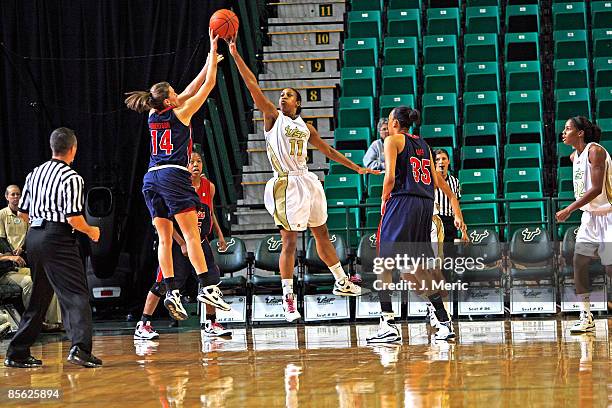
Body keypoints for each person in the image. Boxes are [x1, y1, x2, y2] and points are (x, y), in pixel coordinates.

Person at [227, 34, 378, 322]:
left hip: (307, 181)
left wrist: (357, 168)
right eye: (281, 94)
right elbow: (252, 85)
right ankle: (288, 299)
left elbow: (329, 151)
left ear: (298, 103)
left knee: (321, 233)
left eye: (288, 95)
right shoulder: (272, 117)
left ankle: (341, 280)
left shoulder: (305, 126)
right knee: (290, 242)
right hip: (285, 183)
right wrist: (235, 53)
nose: (282, 97)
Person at [125, 29, 229, 321]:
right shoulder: (180, 114)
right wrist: (211, 49)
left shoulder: (153, 113)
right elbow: (206, 86)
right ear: (169, 101)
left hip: (150, 179)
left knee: (165, 237)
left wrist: (211, 61)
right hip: (173, 175)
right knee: (192, 235)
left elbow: (189, 88)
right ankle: (207, 286)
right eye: (174, 92)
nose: (177, 94)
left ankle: (171, 290)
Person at [4, 127, 102, 368]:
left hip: (35, 237)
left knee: (40, 296)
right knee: (76, 294)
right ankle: (80, 348)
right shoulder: (72, 177)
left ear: (52, 147)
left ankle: (17, 352)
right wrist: (92, 231)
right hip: (57, 238)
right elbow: (73, 218)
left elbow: (23, 212)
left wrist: (40, 227)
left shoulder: (34, 173)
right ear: (73, 149)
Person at [367, 107, 465, 344]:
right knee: (413, 269)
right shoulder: (423, 145)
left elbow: (389, 177)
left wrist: (383, 200)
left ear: (394, 122)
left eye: (389, 120)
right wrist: (451, 196)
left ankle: (387, 322)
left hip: (403, 202)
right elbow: (434, 177)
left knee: (383, 261)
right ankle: (443, 321)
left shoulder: (392, 141)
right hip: (425, 204)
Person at [134, 152, 231, 339]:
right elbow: (166, 222)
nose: (196, 165)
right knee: (162, 284)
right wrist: (182, 243)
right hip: (179, 243)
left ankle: (211, 322)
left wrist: (219, 234)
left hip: (199, 240)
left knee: (209, 282)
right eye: (191, 162)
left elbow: (210, 213)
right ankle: (143, 324)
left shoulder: (208, 187)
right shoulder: (174, 186)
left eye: (199, 161)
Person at [556, 116, 611, 333]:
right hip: (590, 216)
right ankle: (586, 316)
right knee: (579, 262)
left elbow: (597, 189)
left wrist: (569, 209)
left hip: (609, 214)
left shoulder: (595, 151)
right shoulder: (575, 156)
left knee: (609, 268)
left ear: (580, 133)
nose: (563, 132)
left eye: (568, 128)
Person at [0, 185, 62, 331]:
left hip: (21, 262)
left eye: (18, 195)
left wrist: (23, 248)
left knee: (48, 277)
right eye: (13, 194)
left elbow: (31, 235)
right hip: (6, 268)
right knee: (29, 282)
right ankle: (35, 322)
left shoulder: (25, 215)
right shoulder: (2, 215)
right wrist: (10, 256)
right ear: (6, 197)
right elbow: (1, 240)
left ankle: (54, 321)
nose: (16, 197)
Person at [433, 149, 461, 243]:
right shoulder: (429, 180)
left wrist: (462, 227)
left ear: (448, 161)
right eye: (437, 159)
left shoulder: (455, 181)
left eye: (444, 158)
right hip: (435, 219)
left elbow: (457, 204)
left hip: (450, 220)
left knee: (450, 253)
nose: (441, 161)